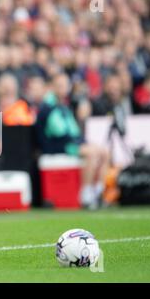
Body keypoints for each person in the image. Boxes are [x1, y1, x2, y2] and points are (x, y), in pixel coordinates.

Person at [36, 73, 109, 210]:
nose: (64, 89)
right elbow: (61, 133)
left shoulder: (63, 105)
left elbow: (74, 131)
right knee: (91, 153)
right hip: (56, 146)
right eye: (60, 86)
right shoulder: (48, 107)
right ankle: (86, 195)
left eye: (65, 85)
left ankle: (98, 192)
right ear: (52, 87)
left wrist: (83, 141)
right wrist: (81, 143)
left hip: (68, 143)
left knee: (104, 151)